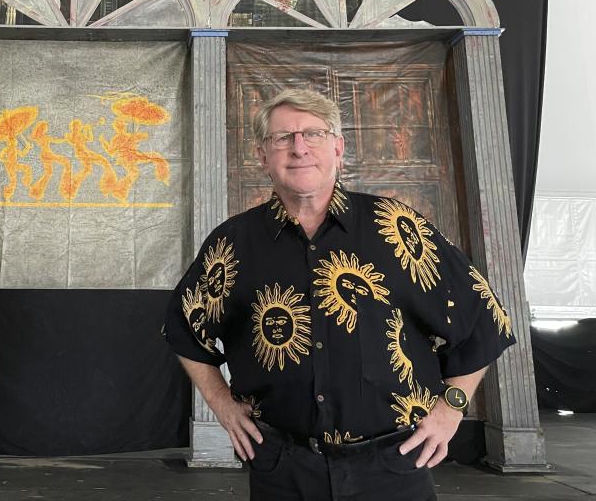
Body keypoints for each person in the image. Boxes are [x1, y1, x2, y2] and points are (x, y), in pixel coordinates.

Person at [164, 89, 516, 501]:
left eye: (313, 134)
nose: (299, 149)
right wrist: (220, 403)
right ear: (262, 155)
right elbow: (183, 327)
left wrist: (452, 407)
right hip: (282, 466)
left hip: (395, 462)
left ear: (338, 147)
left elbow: (484, 319)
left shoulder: (396, 225)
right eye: (283, 138)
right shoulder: (233, 243)